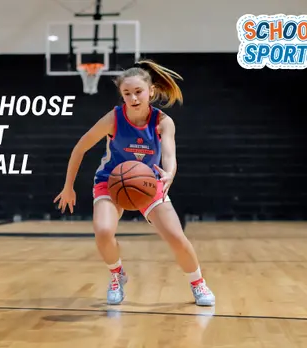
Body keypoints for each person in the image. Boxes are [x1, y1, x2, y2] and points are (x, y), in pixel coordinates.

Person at [53, 59, 215, 306]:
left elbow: (170, 155)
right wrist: (68, 186)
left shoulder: (163, 122)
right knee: (104, 231)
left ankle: (198, 283)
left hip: (148, 182)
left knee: (176, 238)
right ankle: (117, 275)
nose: (133, 98)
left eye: (138, 92)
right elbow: (79, 148)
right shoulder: (113, 119)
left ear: (150, 91)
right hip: (111, 180)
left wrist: (169, 173)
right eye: (127, 93)